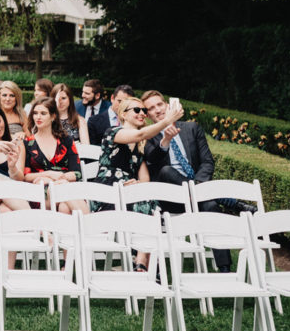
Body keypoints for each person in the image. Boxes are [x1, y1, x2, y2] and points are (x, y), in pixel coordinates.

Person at [141, 90, 233, 272]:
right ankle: (231, 203)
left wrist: (196, 187)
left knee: (211, 207)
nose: (157, 110)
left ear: (167, 105)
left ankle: (225, 269)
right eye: (151, 108)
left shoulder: (191, 128)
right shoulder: (148, 137)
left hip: (196, 196)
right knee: (167, 170)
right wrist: (165, 139)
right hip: (171, 200)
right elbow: (153, 162)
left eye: (159, 104)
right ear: (148, 115)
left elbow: (207, 162)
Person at [91, 95, 183, 271]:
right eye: (137, 110)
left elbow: (145, 180)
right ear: (123, 115)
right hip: (107, 196)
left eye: (143, 111)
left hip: (129, 198)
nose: (142, 113)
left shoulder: (139, 148)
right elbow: (140, 133)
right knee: (145, 204)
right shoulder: (112, 133)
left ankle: (140, 262)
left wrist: (136, 185)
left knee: (150, 202)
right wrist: (167, 121)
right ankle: (144, 264)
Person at [12, 97, 87, 215]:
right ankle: (91, 227)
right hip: (40, 193)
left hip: (64, 185)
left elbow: (77, 173)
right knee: (65, 191)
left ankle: (64, 232)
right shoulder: (27, 143)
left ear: (53, 116)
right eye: (35, 113)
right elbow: (25, 176)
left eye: (43, 113)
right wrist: (47, 175)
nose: (38, 117)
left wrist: (58, 180)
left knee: (64, 208)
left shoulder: (66, 140)